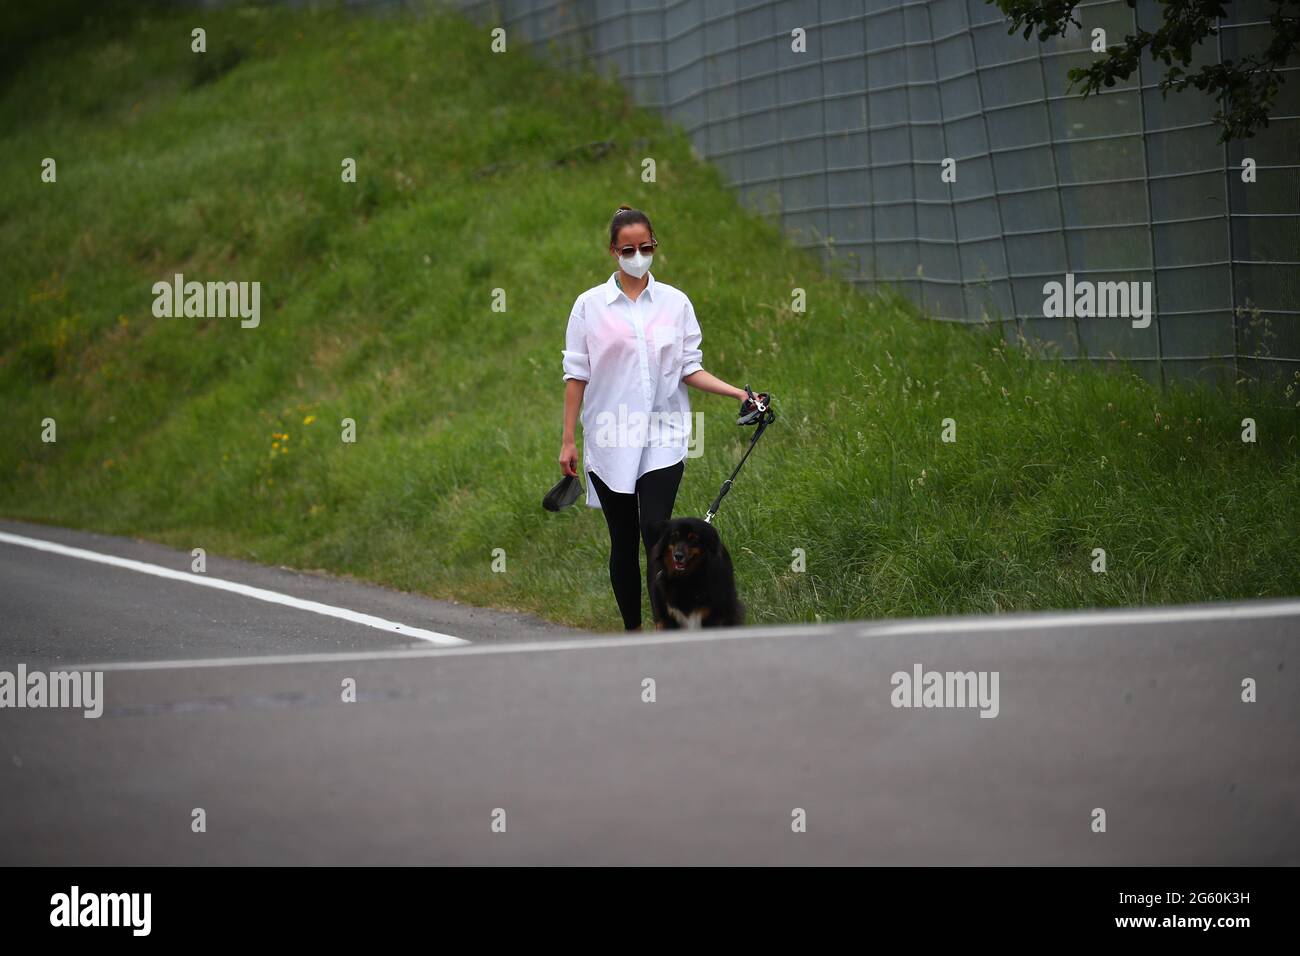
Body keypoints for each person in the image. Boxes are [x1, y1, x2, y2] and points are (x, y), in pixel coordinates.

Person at [559, 204, 763, 631]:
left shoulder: (675, 302)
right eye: (628, 248)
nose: (638, 254)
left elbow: (690, 366)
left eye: (646, 246)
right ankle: (632, 632)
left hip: (663, 433)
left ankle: (660, 628)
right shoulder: (588, 306)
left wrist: (739, 393)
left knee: (656, 533)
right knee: (622, 540)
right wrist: (568, 440)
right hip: (610, 436)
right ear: (613, 251)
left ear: (655, 246)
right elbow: (576, 376)